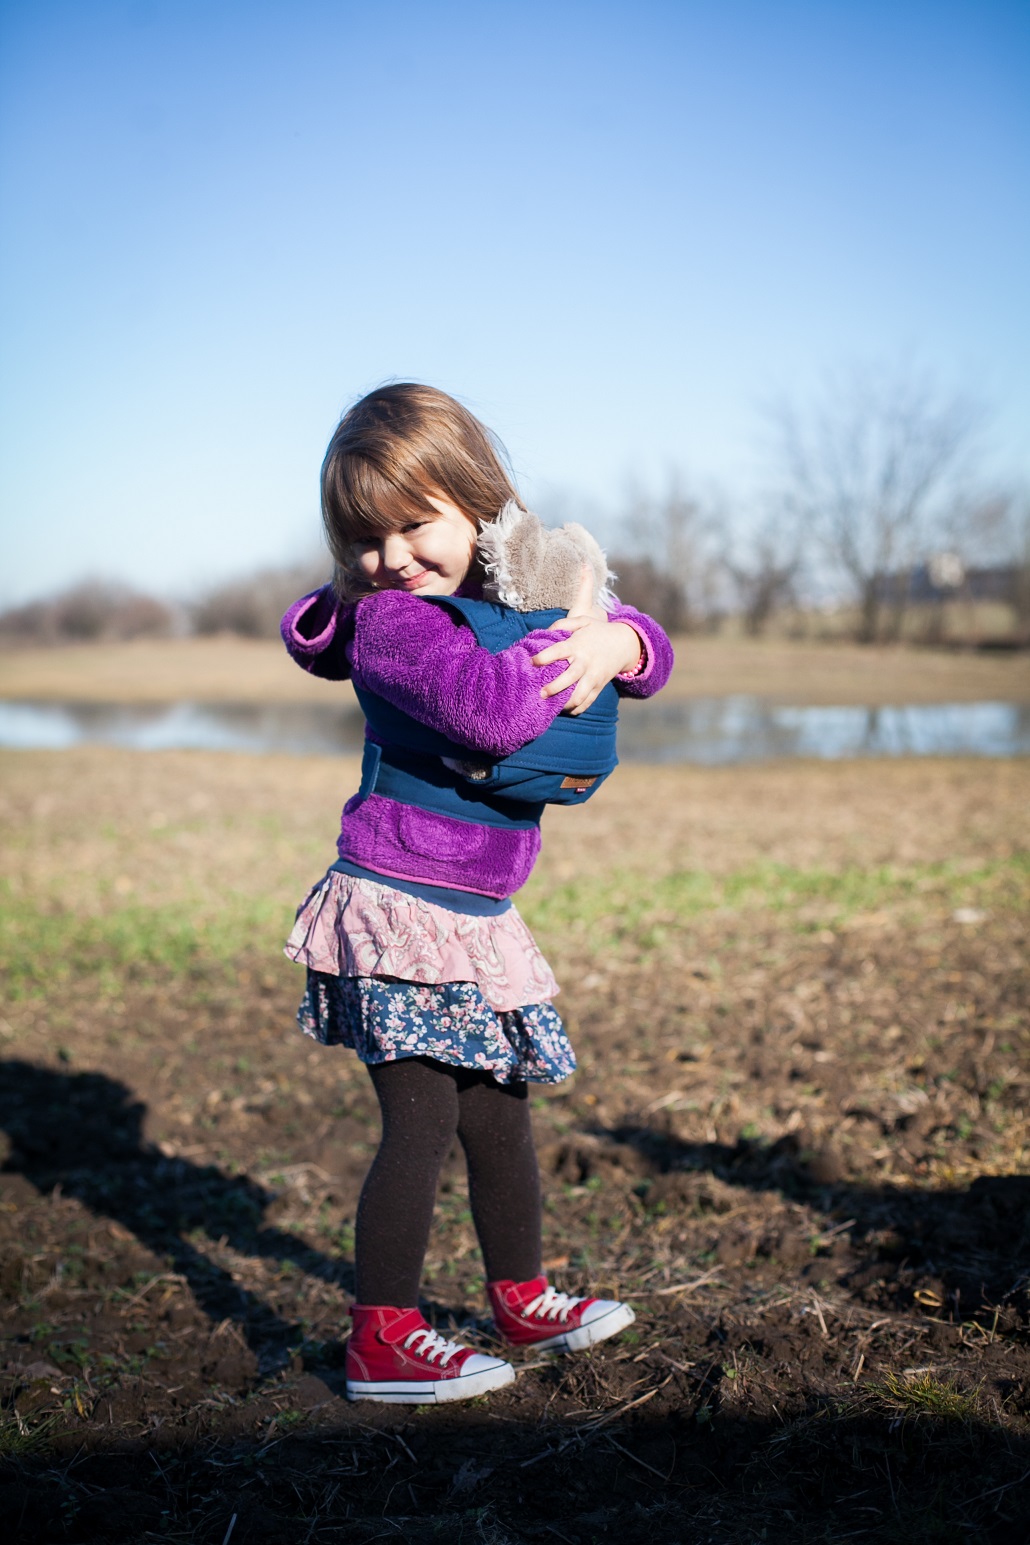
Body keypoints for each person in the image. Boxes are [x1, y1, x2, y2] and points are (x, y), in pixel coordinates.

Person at [281, 383, 674, 1405]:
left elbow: (656, 656)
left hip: (477, 914)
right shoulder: (397, 631)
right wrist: (578, 627)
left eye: (418, 524)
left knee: (498, 1116)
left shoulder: (507, 608)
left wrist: (619, 641)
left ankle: (520, 1297)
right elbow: (493, 716)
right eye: (365, 539)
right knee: (419, 1121)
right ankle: (383, 1336)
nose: (394, 556)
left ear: (478, 509)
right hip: (398, 903)